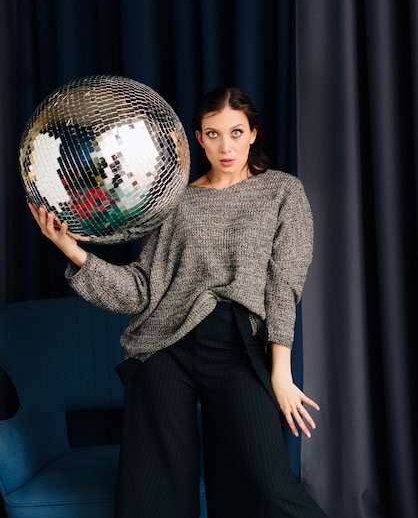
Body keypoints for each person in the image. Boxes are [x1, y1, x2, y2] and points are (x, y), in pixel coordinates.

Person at [29, 86, 327, 518]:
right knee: (153, 495)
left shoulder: (282, 192)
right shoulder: (173, 202)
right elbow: (142, 289)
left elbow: (284, 287)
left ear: (253, 133)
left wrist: (280, 372)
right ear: (197, 138)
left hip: (236, 346)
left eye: (236, 132)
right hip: (165, 348)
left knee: (269, 486)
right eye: (213, 134)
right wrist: (71, 250)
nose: (226, 146)